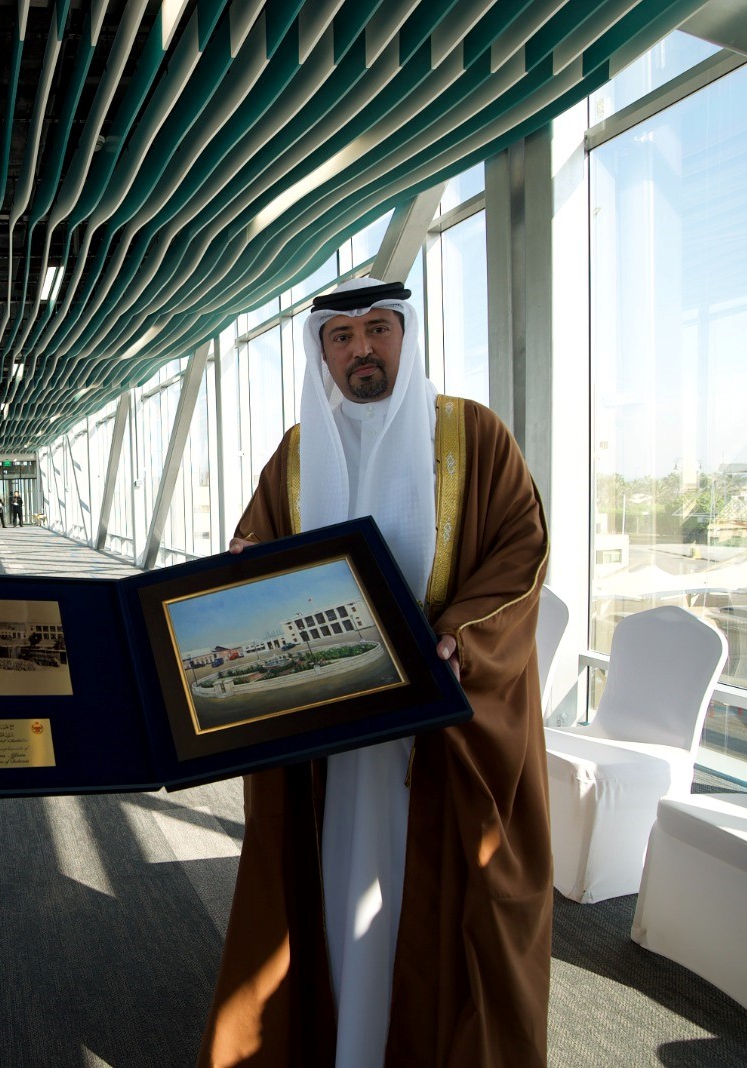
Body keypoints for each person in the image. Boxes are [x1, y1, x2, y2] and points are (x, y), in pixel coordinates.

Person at [197, 277, 550, 1066]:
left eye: (378, 330)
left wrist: (458, 636)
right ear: (321, 350)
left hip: (433, 736)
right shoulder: (294, 454)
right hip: (326, 740)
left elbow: (519, 552)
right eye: (342, 336)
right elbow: (253, 552)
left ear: (406, 336)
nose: (361, 349)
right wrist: (245, 573)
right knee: (323, 890)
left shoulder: (470, 436)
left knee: (426, 899)